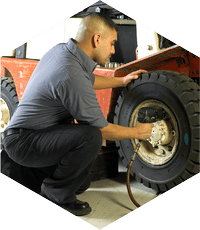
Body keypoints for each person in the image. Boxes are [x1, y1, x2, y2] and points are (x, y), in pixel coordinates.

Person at [2, 13, 153, 216]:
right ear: (97, 39)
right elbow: (102, 129)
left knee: (81, 182)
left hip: (32, 135)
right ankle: (55, 195)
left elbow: (87, 80)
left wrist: (121, 80)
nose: (113, 50)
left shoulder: (63, 52)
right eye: (112, 43)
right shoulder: (69, 72)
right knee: (91, 136)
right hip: (24, 140)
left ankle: (17, 172)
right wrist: (137, 132)